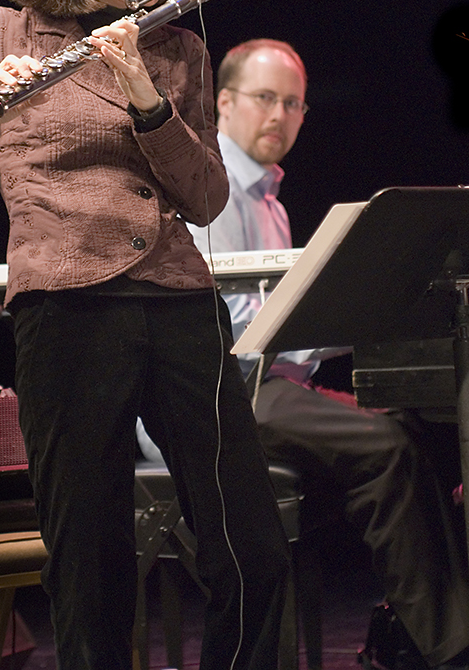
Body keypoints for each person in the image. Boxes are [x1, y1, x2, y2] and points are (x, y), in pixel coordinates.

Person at [0, 0, 290, 670]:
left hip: (178, 305)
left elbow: (208, 196)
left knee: (252, 547)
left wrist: (146, 95)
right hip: (68, 310)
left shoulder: (177, 46)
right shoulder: (0, 33)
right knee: (91, 565)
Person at [184, 38, 469, 670]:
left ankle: (416, 630)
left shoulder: (268, 199)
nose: (280, 115)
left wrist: (362, 313)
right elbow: (232, 332)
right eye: (266, 98)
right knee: (385, 447)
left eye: (294, 104)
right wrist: (354, 314)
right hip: (224, 394)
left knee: (413, 430)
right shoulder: (211, 188)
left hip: (275, 387)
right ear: (223, 102)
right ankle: (449, 649)